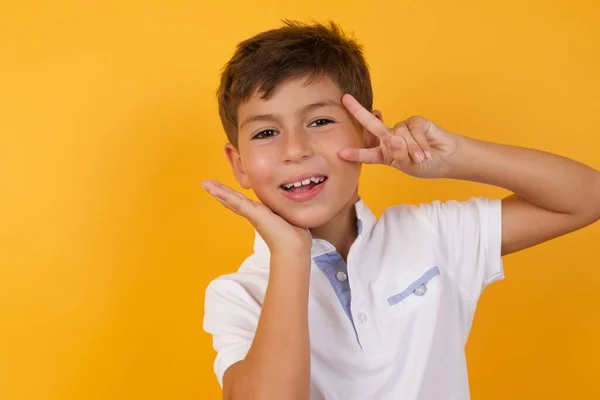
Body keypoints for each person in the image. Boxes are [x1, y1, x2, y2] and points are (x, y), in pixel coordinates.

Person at [201, 20, 600, 400]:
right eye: (266, 132)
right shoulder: (237, 295)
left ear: (368, 129)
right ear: (239, 164)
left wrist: (454, 157)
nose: (295, 150)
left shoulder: (431, 234)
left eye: (320, 120)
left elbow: (587, 197)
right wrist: (290, 255)